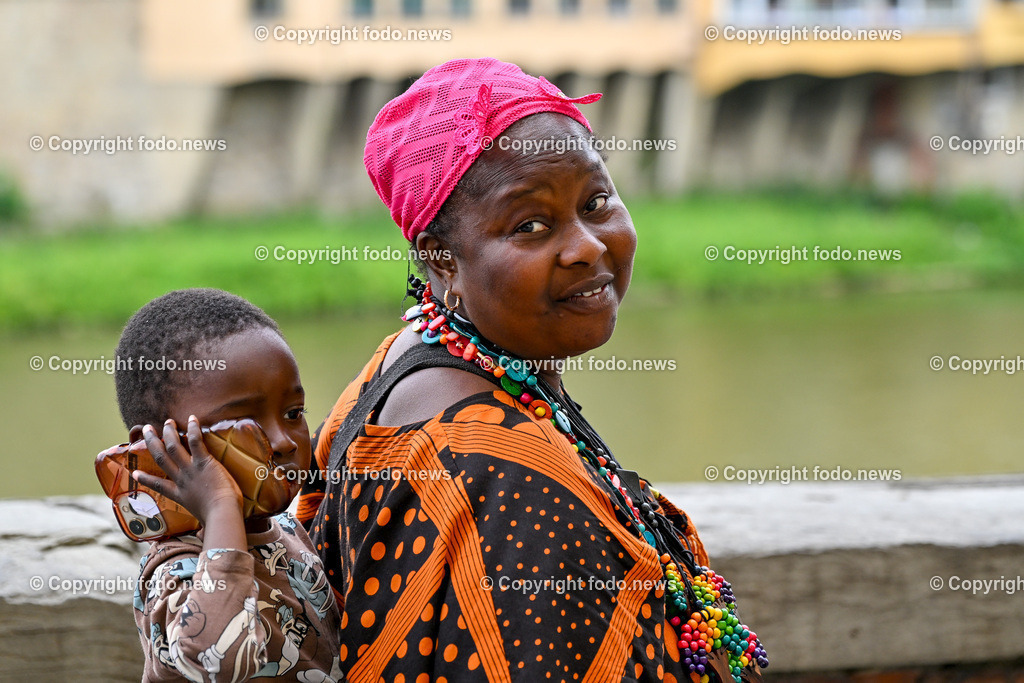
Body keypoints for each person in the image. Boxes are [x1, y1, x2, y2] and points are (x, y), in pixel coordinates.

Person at [298, 58, 767, 682]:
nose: (588, 246)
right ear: (442, 263)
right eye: (531, 226)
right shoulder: (501, 469)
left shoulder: (409, 361)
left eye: (596, 201)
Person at [113, 288, 343, 682]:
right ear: (159, 448)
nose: (285, 441)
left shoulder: (286, 528)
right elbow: (215, 661)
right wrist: (220, 505)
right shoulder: (176, 569)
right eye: (244, 427)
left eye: (293, 413)